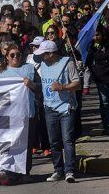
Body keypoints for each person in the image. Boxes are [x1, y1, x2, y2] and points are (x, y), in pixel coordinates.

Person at [0, 42, 40, 185]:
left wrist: (31, 84)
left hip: (28, 113)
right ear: (6, 57)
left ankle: (25, 172)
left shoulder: (29, 69)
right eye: (12, 55)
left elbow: (40, 88)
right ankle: (7, 172)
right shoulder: (0, 71)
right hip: (8, 115)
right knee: (10, 145)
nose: (16, 57)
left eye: (18, 55)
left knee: (27, 144)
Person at [37, 38, 80, 183]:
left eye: (43, 53)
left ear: (50, 53)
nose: (41, 56)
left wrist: (62, 87)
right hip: (50, 108)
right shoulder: (42, 64)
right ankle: (58, 170)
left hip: (66, 108)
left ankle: (69, 171)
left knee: (67, 140)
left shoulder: (67, 63)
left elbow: (77, 83)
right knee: (54, 141)